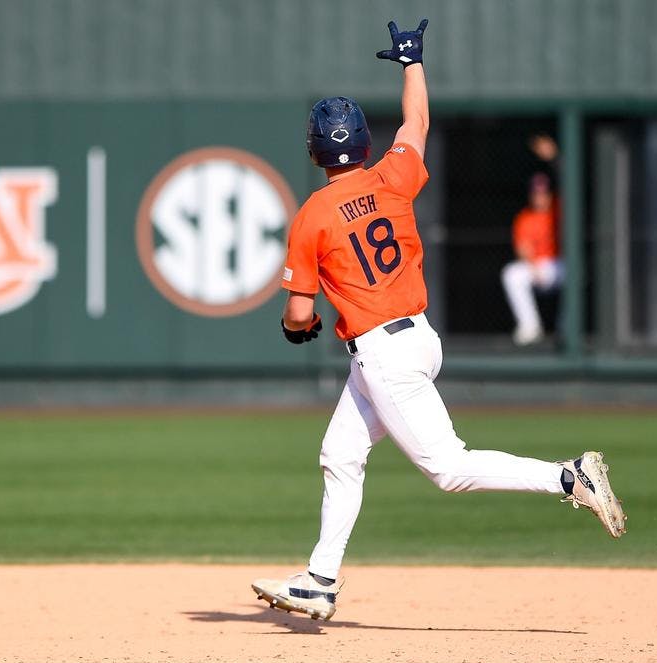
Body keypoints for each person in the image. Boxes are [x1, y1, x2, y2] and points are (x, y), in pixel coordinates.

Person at [250, 18, 626, 622]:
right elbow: (417, 124)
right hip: (420, 338)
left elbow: (298, 314)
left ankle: (568, 476)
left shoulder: (313, 216)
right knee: (340, 453)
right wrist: (412, 63)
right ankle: (320, 578)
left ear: (315, 151)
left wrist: (298, 327)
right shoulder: (391, 179)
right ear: (363, 145)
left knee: (449, 469)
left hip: (383, 353)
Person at [501, 140, 563, 346]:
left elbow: (571, 179)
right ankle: (530, 326)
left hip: (557, 266)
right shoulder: (524, 217)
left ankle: (567, 327)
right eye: (536, 193)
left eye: (543, 193)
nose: (540, 197)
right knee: (512, 274)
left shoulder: (558, 209)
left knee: (577, 271)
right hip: (536, 267)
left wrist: (554, 158)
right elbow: (522, 248)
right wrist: (533, 265)